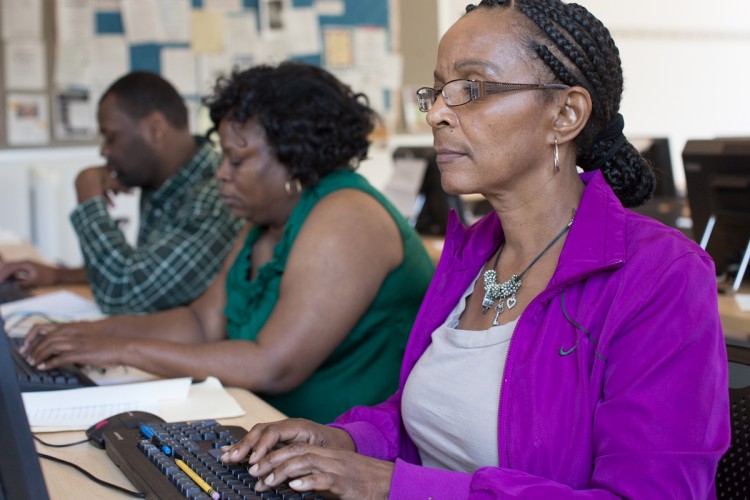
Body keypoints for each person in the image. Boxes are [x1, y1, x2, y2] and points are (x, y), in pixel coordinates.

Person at [216, 1, 731, 498]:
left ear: (566, 113)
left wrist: (386, 485)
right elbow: (426, 420)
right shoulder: (474, 252)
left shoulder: (661, 277)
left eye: (471, 88)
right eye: (438, 91)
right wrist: (344, 439)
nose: (437, 113)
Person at [21, 62, 435, 424]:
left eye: (236, 160)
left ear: (295, 158)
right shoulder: (265, 219)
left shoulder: (346, 217)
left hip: (337, 450)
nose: (221, 173)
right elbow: (202, 321)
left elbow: (270, 364)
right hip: (262, 423)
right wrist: (88, 333)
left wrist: (120, 349)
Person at [0, 72, 242, 315]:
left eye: (111, 137)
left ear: (155, 129)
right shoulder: (163, 183)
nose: (104, 151)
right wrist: (57, 275)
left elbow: (123, 296)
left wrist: (90, 203)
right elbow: (148, 271)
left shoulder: (216, 198)